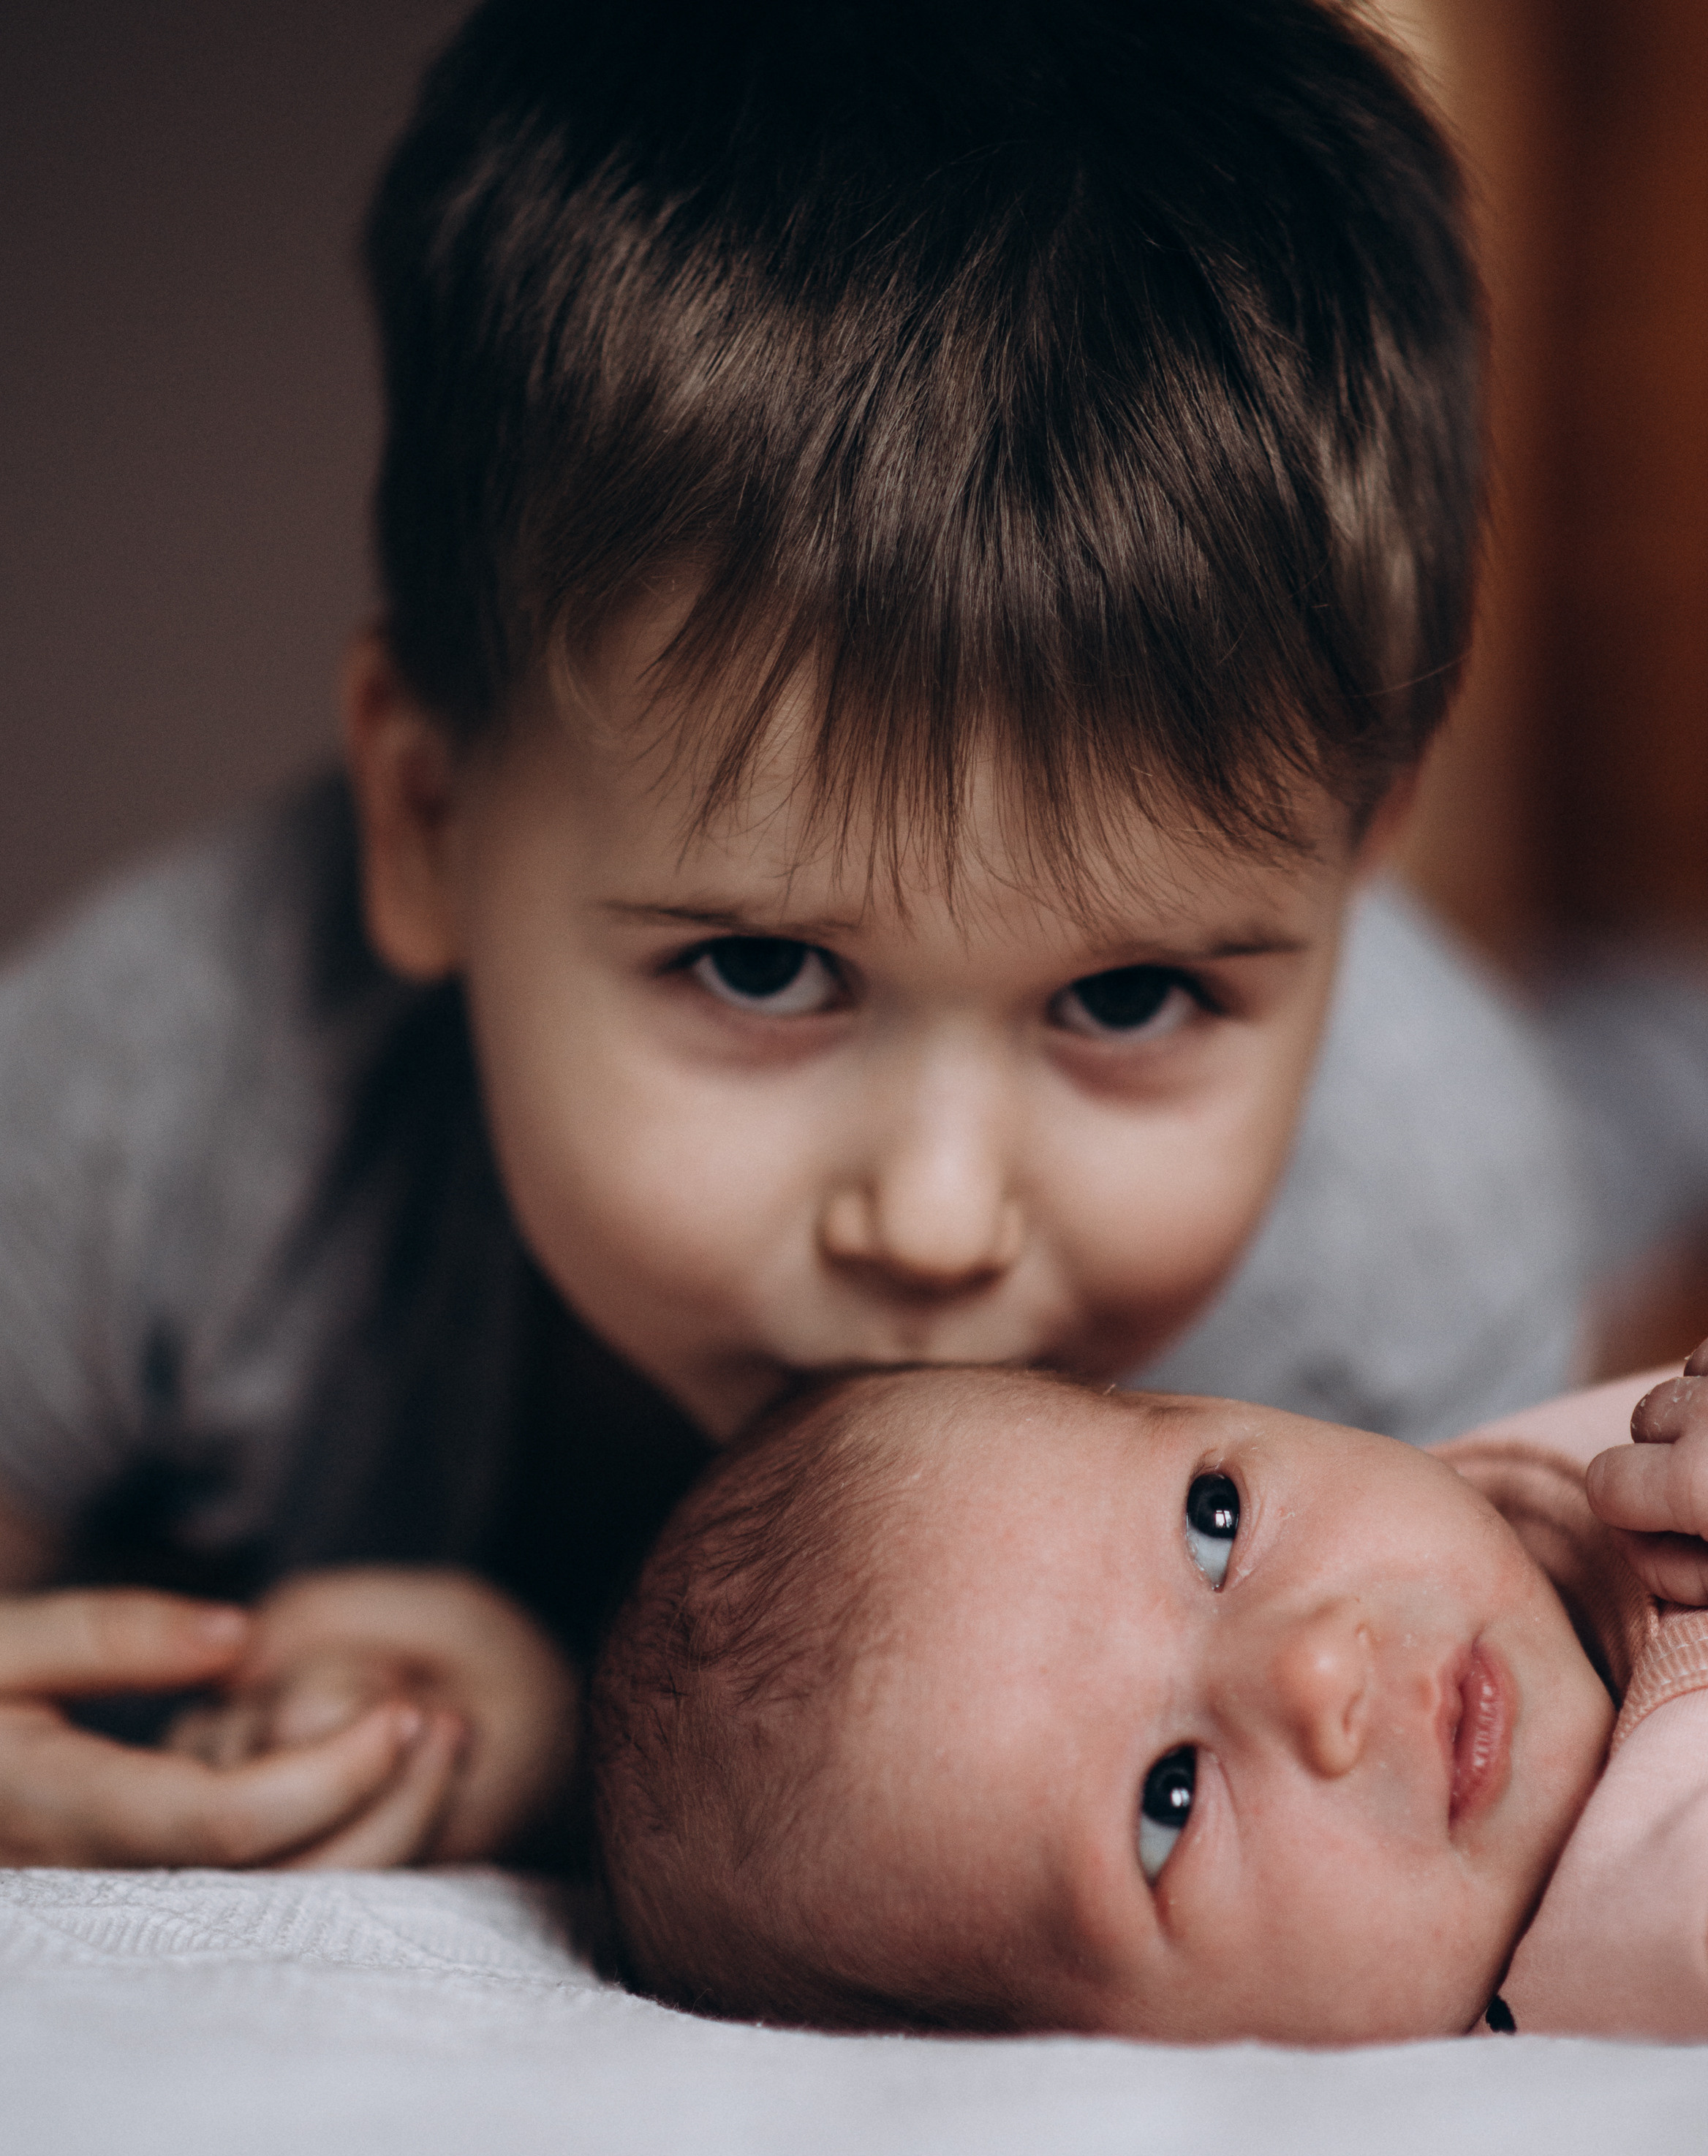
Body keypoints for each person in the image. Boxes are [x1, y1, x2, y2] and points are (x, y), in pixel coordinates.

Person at [0, 0, 1586, 1869]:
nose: (931, 1221)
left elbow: (1467, 1858)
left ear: (1352, 870)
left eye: (1132, 995)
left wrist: (565, 1755)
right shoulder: (172, 1082)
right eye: (760, 967)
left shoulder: (1410, 1229)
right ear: (427, 818)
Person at [588, 1355, 1708, 2044]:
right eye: (1167, 1803)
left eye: (1213, 1523)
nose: (1314, 1670)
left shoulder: (1563, 1475)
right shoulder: (1643, 1942)